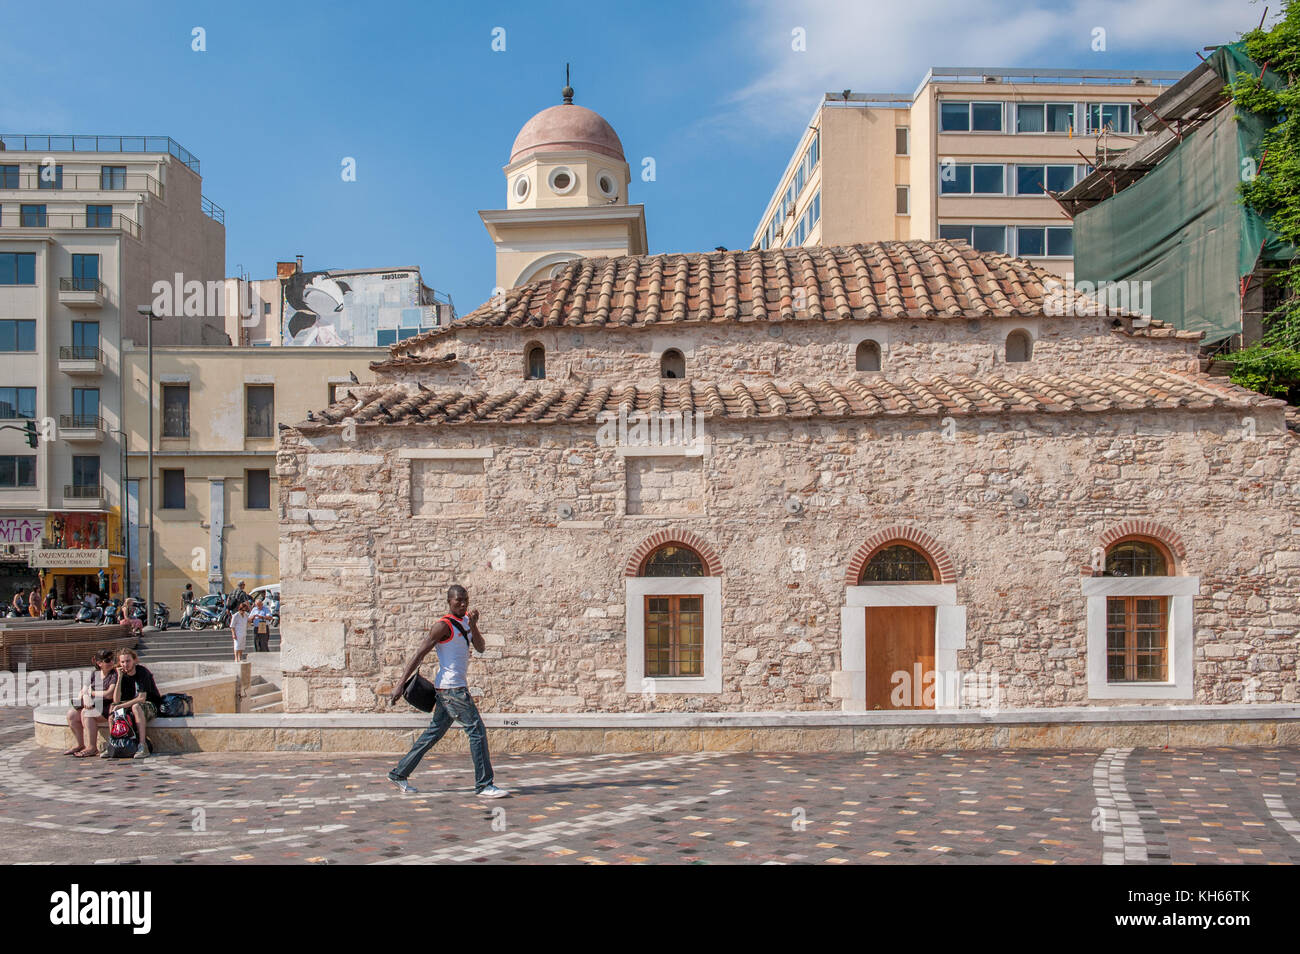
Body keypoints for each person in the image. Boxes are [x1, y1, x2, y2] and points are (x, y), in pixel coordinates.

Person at [385, 584, 508, 798]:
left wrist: (475, 625)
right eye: (458, 600)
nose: (463, 603)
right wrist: (400, 684)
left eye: (465, 600)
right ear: (449, 601)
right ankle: (484, 784)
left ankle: (399, 774)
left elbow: (480, 647)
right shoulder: (442, 626)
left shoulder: (466, 622)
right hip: (452, 690)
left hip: (451, 690)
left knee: (433, 734)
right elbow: (418, 655)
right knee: (477, 731)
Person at [103, 648, 162, 760]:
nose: (125, 664)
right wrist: (119, 678)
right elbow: (116, 700)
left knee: (136, 706)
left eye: (128, 661)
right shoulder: (121, 675)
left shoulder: (142, 672)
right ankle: (113, 744)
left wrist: (121, 706)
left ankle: (142, 745)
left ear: (134, 660)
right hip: (131, 704)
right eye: (122, 662)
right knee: (112, 708)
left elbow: (142, 698)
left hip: (150, 705)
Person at [64, 649, 118, 757]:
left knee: (87, 712)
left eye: (113, 659)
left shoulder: (114, 674)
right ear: (99, 663)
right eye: (108, 660)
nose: (111, 662)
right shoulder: (95, 674)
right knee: (72, 715)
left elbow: (109, 694)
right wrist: (86, 696)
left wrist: (91, 693)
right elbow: (83, 690)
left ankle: (92, 747)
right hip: (95, 704)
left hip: (108, 706)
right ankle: (80, 744)